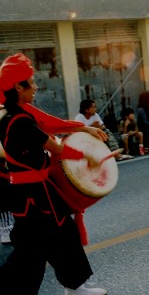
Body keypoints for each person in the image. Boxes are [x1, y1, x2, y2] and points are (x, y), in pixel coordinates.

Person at [0, 53, 107, 294]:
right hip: (33, 197)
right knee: (31, 256)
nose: (36, 87)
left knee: (62, 235)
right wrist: (88, 155)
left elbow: (49, 124)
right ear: (18, 87)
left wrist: (82, 128)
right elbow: (56, 147)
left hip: (34, 193)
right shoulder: (19, 121)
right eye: (32, 82)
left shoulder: (16, 114)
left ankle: (76, 286)